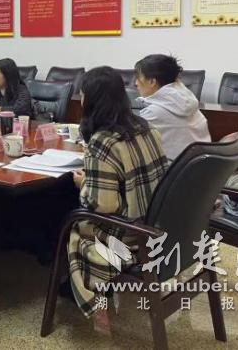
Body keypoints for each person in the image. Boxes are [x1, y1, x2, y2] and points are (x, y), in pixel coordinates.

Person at [67, 66, 169, 318]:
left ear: (91, 100)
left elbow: (103, 206)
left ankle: (76, 286)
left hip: (129, 237)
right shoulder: (146, 127)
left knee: (68, 219)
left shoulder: (102, 142)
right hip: (157, 224)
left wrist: (83, 185)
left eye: (83, 95)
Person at [134, 54, 211, 161]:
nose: (136, 83)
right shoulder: (186, 100)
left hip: (173, 168)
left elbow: (131, 144)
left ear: (152, 82)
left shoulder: (154, 113)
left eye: (138, 78)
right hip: (200, 164)